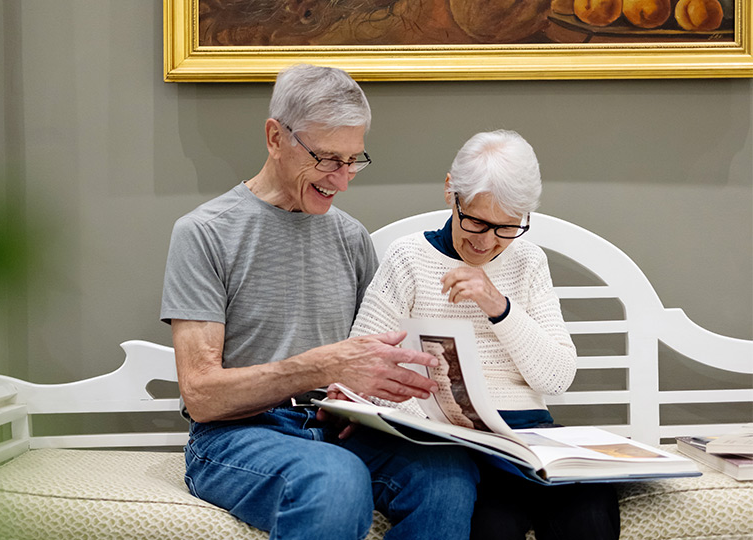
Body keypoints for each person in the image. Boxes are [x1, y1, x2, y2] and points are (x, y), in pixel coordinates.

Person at [160, 63, 479, 540]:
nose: (343, 180)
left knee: (448, 476)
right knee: (335, 479)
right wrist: (318, 367)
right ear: (275, 137)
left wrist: (371, 394)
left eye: (354, 160)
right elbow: (202, 396)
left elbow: (369, 360)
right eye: (328, 159)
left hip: (341, 427)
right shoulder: (205, 233)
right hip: (239, 436)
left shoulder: (350, 237)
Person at [349, 130, 621, 540]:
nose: (487, 242)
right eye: (476, 221)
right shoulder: (409, 258)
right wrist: (430, 426)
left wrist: (500, 307)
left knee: (590, 510)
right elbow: (362, 371)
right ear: (450, 193)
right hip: (454, 445)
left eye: (507, 227)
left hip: (530, 439)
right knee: (494, 523)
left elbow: (557, 378)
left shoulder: (528, 260)